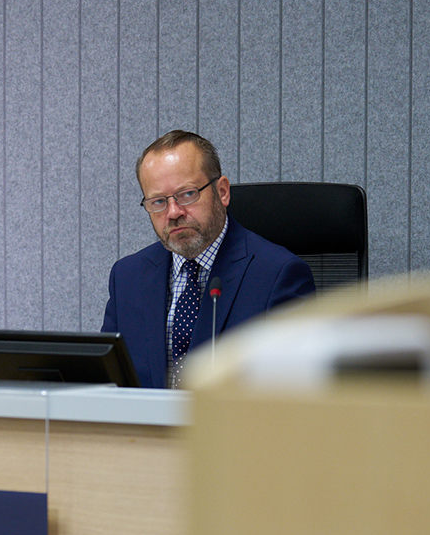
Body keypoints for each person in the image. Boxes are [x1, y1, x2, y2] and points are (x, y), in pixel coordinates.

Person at [101, 130, 316, 388]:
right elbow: (109, 384)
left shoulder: (278, 275)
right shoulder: (127, 277)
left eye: (187, 194)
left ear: (222, 191)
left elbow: (294, 392)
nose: (173, 212)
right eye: (158, 201)